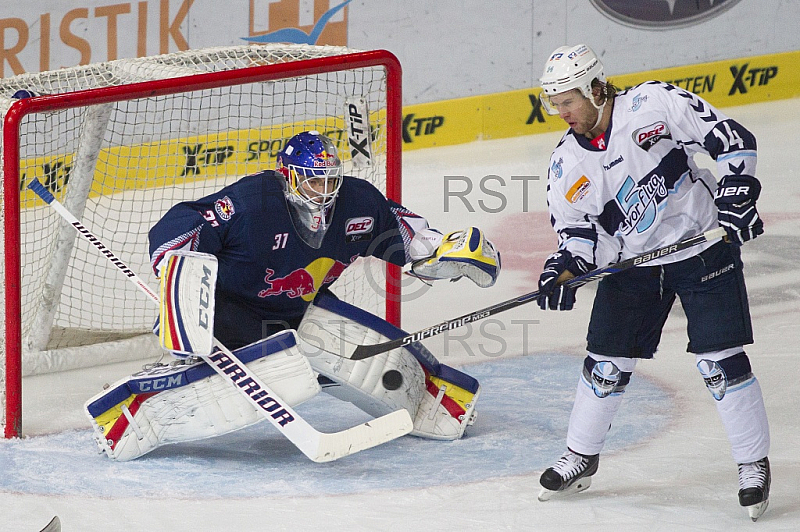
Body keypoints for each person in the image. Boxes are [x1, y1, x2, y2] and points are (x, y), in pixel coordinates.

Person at [85, 130, 500, 461]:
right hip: (225, 313)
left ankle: (435, 404)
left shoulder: (358, 203)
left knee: (366, 349)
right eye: (312, 179)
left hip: (298, 310)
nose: (323, 190)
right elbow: (186, 221)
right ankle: (132, 410)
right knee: (282, 369)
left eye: (329, 179)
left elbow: (409, 235)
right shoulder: (252, 203)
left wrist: (443, 254)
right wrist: (177, 272)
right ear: (288, 176)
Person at [534, 45, 770, 521]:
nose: (561, 113)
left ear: (597, 89)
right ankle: (581, 454)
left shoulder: (653, 104)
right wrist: (565, 269)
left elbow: (730, 137)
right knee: (605, 363)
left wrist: (738, 189)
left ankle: (753, 464)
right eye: (554, 103)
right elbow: (579, 234)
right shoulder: (565, 166)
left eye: (568, 101)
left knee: (721, 363)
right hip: (633, 266)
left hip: (702, 246)